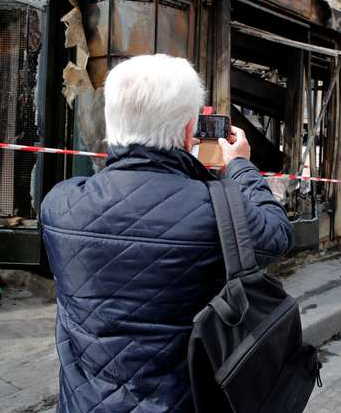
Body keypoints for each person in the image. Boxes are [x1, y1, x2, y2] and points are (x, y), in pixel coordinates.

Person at [40, 55, 293, 413]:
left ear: (111, 120)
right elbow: (278, 233)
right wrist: (240, 166)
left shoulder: (59, 205)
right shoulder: (215, 209)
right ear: (190, 130)